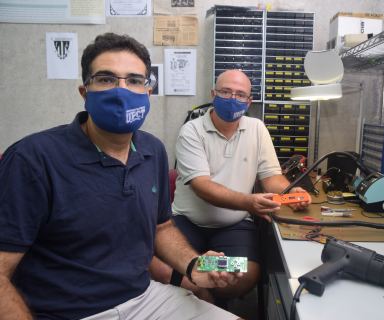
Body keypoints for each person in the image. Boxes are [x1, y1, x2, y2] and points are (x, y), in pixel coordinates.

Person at [0, 33, 242, 320]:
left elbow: (161, 228)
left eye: (134, 80)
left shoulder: (153, 150)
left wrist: (193, 264)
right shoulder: (33, 158)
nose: (121, 90)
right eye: (106, 79)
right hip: (67, 311)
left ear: (148, 90)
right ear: (84, 92)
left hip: (144, 298)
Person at [170, 69, 311, 303]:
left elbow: (271, 178)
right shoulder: (191, 131)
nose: (232, 98)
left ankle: (203, 296)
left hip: (233, 225)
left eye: (240, 94)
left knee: (244, 274)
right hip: (188, 222)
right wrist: (249, 202)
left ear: (249, 101)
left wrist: (290, 192)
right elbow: (202, 186)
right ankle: (201, 294)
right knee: (164, 267)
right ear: (213, 94)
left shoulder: (257, 129)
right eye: (225, 92)